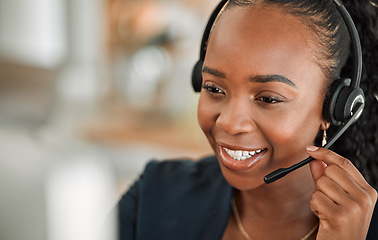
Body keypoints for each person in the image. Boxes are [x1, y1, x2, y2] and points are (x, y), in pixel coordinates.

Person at [117, 0, 378, 239]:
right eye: (214, 89)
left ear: (336, 107)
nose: (229, 123)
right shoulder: (155, 196)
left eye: (268, 99)